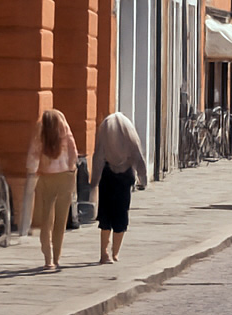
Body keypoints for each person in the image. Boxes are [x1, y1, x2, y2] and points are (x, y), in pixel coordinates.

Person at [89, 111, 147, 264]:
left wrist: (94, 181)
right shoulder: (128, 132)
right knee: (121, 214)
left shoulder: (105, 131)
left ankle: (104, 253)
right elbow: (137, 154)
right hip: (125, 176)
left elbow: (98, 156)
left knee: (105, 215)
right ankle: (115, 253)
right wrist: (143, 177)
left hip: (107, 176)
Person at [26, 108, 78, 270]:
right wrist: (71, 168)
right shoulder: (64, 130)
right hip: (65, 178)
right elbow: (73, 152)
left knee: (46, 220)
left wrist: (33, 171)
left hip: (46, 178)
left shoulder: (40, 133)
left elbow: (33, 156)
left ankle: (48, 259)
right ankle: (57, 256)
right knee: (61, 220)